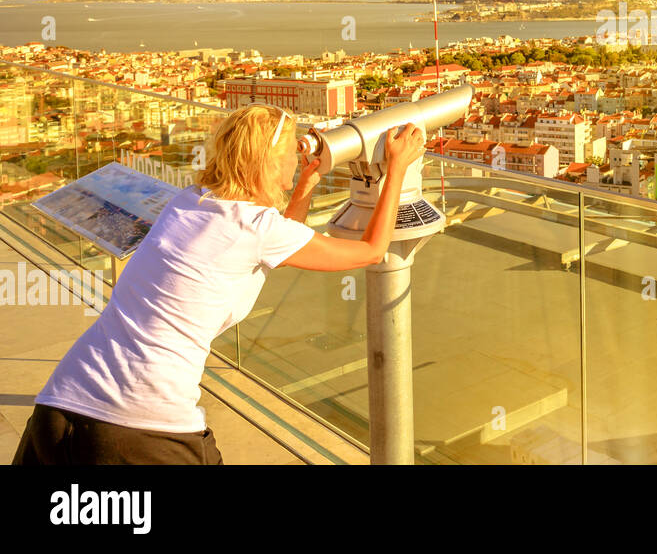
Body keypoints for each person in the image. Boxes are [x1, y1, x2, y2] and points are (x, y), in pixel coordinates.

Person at [11, 103, 426, 465]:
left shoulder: (190, 201)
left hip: (61, 404)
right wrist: (397, 168)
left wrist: (308, 181)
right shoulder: (257, 228)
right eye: (289, 152)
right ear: (264, 161)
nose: (296, 159)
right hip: (143, 425)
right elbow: (371, 250)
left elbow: (273, 240)